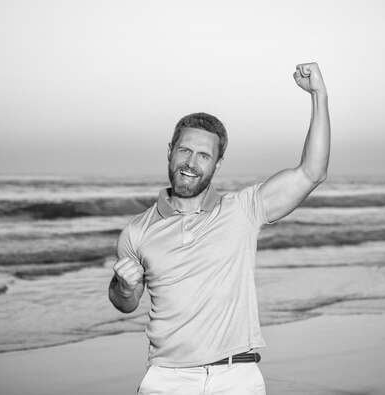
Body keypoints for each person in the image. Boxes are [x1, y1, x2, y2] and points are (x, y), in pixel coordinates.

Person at [109, 62, 330, 395]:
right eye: (184, 150)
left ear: (217, 164)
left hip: (236, 376)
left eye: (203, 156)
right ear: (170, 152)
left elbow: (312, 173)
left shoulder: (243, 210)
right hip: (166, 379)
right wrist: (124, 287)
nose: (191, 164)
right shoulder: (137, 230)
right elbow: (125, 302)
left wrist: (319, 95)